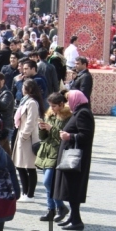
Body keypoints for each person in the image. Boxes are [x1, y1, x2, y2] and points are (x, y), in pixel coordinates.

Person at [54, 90, 95, 231]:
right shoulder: (79, 111)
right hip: (71, 157)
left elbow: (86, 135)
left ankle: (76, 220)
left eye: (69, 99)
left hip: (76, 159)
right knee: (70, 188)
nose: (67, 102)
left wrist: (69, 136)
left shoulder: (83, 113)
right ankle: (73, 217)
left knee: (73, 188)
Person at [35, 92, 72, 222]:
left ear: (62, 104)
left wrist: (51, 128)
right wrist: (42, 128)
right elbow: (43, 137)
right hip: (46, 151)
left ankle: (60, 206)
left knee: (47, 181)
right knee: (48, 183)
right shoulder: (49, 114)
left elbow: (63, 136)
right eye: (50, 105)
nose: (52, 108)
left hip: (57, 151)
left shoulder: (68, 116)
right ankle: (51, 209)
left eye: (54, 106)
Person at [13, 79, 43, 202]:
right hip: (21, 135)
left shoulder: (32, 103)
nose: (21, 89)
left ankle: (30, 194)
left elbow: (31, 121)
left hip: (28, 138)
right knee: (20, 166)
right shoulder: (24, 101)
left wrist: (24, 135)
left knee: (29, 166)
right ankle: (24, 192)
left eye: (23, 87)